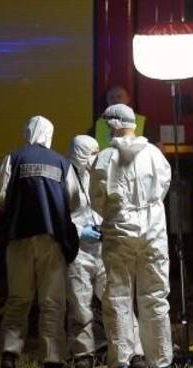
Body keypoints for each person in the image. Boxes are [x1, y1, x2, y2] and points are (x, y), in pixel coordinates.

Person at [0, 116, 81, 368]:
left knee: (18, 299)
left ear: (27, 132)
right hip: (52, 239)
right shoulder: (62, 162)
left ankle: (9, 354)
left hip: (18, 237)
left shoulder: (14, 158)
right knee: (52, 302)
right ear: (49, 134)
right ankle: (52, 357)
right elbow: (75, 202)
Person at [91, 103, 172, 368]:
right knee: (155, 298)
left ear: (112, 125)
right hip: (154, 232)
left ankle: (123, 360)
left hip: (119, 233)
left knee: (118, 299)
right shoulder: (154, 154)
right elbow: (164, 187)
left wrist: (118, 214)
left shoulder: (104, 158)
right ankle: (160, 361)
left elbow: (96, 200)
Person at [65, 135, 109, 368]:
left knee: (112, 299)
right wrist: (80, 230)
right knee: (80, 305)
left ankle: (114, 347)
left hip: (102, 248)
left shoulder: (98, 175)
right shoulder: (65, 177)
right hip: (79, 250)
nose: (95, 157)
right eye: (90, 152)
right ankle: (83, 354)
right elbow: (59, 215)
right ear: (78, 153)